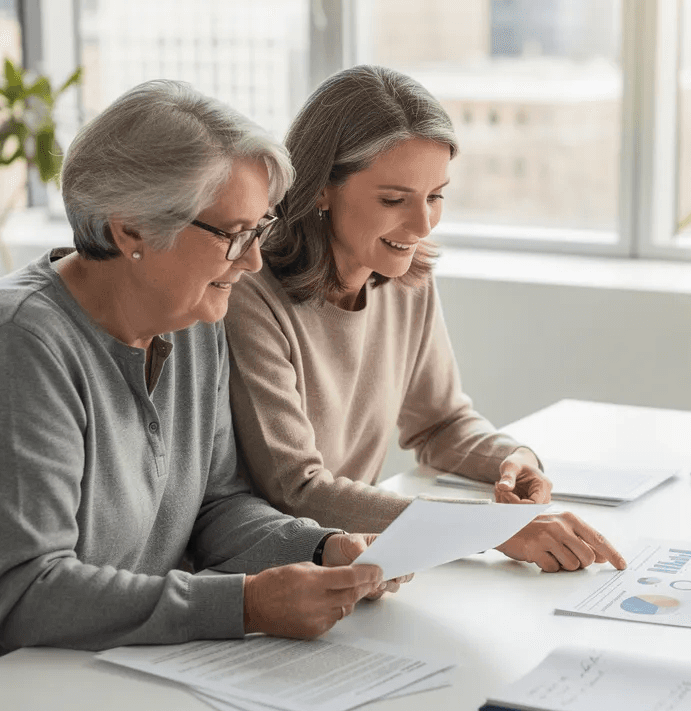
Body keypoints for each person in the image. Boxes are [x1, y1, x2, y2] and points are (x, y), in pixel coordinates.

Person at [0, 81, 406, 694]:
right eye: (233, 234)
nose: (252, 262)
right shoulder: (12, 345)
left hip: (98, 675)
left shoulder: (191, 318)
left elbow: (216, 506)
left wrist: (320, 546)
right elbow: (28, 593)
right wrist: (245, 605)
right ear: (131, 231)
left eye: (260, 229)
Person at [224, 65, 626, 574]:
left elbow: (440, 423)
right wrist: (488, 530)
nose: (422, 225)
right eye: (394, 200)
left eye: (436, 196)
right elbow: (297, 489)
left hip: (354, 566)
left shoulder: (404, 277)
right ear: (320, 189)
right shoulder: (250, 295)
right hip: (271, 572)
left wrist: (515, 457)